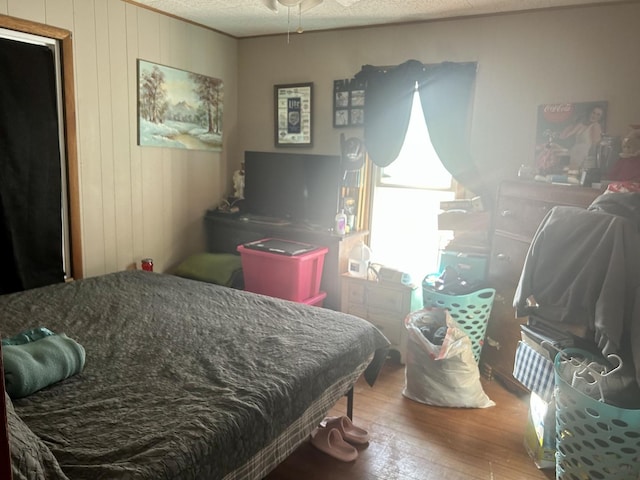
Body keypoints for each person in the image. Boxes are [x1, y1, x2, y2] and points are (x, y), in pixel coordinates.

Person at [559, 104, 604, 170]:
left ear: (600, 117)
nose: (594, 116)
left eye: (598, 114)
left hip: (584, 154)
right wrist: (573, 124)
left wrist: (590, 159)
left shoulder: (596, 126)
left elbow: (595, 144)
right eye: (593, 113)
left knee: (574, 171)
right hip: (574, 151)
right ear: (590, 112)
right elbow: (564, 136)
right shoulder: (582, 125)